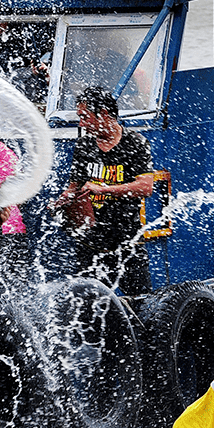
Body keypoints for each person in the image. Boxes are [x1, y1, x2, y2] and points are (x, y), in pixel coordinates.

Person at [56, 86, 154, 296]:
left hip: (128, 243)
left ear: (104, 114)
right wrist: (63, 201)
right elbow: (73, 188)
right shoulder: (84, 146)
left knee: (140, 301)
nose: (81, 124)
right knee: (89, 305)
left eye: (85, 117)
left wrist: (105, 189)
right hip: (90, 244)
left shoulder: (135, 143)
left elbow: (146, 187)